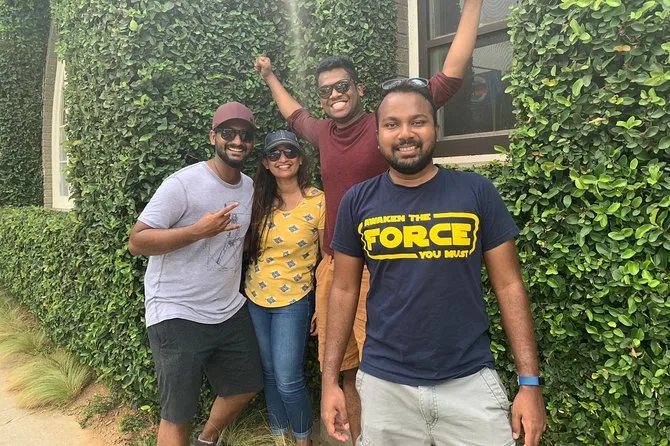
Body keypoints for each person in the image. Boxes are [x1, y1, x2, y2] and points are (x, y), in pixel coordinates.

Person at [254, 1, 484, 439]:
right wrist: (269, 76)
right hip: (334, 266)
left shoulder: (385, 124)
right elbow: (293, 113)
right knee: (341, 368)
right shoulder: (322, 132)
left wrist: (472, 7)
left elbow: (450, 77)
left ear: (359, 88)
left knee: (376, 370)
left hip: (381, 266)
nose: (334, 95)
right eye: (326, 91)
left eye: (342, 86)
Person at [320, 80, 547, 445]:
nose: (405, 134)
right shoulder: (357, 201)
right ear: (377, 136)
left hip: (469, 381)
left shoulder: (476, 192)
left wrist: (529, 383)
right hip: (384, 386)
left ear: (435, 128)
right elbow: (344, 290)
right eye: (392, 124)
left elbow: (509, 285)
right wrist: (329, 381)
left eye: (418, 121)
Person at [128, 102, 263, 446]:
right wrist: (197, 231)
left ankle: (207, 440)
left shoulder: (249, 187)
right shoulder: (183, 184)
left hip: (226, 308)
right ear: (213, 137)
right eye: (228, 133)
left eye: (245, 135)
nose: (237, 141)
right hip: (177, 309)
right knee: (178, 413)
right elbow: (137, 241)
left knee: (246, 384)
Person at [243, 130, 325, 445]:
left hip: (295, 301)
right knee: (270, 374)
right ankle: (280, 439)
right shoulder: (258, 200)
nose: (283, 159)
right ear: (266, 162)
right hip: (256, 297)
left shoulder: (318, 201)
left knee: (289, 379)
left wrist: (321, 305)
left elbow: (327, 259)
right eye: (274, 154)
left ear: (300, 158)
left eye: (289, 152)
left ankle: (304, 441)